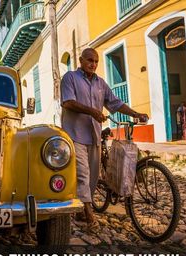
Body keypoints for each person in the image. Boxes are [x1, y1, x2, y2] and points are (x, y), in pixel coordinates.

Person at [60, 48, 148, 226]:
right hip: (75, 135)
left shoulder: (101, 83)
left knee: (92, 176)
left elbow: (115, 103)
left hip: (94, 135)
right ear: (81, 60)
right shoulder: (70, 78)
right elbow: (68, 102)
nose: (93, 64)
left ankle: (82, 210)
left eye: (96, 61)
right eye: (90, 60)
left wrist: (135, 113)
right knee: (83, 175)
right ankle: (89, 215)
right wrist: (92, 111)